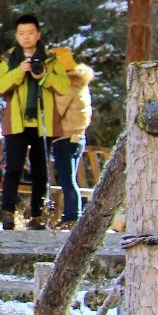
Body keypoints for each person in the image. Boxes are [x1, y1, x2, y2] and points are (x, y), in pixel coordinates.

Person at [0, 14, 70, 230]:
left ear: (38, 35)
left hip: (43, 122)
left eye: (30, 33)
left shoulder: (51, 59)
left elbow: (64, 85)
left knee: (40, 171)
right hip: (16, 122)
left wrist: (44, 75)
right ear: (17, 36)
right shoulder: (9, 59)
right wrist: (19, 71)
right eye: (21, 33)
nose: (25, 37)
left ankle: (37, 215)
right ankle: (8, 213)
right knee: (13, 167)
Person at [49, 44, 95, 228]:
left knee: (67, 180)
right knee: (70, 178)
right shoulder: (80, 84)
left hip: (65, 137)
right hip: (78, 137)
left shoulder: (66, 86)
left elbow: (56, 111)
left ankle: (72, 216)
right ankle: (72, 215)